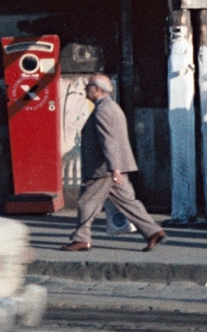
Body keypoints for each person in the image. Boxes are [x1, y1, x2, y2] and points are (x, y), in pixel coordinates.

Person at [61, 74, 166, 252]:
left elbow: (109, 141)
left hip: (102, 169)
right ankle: (154, 231)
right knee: (128, 203)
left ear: (98, 89)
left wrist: (114, 168)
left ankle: (81, 239)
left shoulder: (103, 110)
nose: (86, 89)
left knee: (86, 203)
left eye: (89, 86)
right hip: (112, 167)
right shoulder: (111, 107)